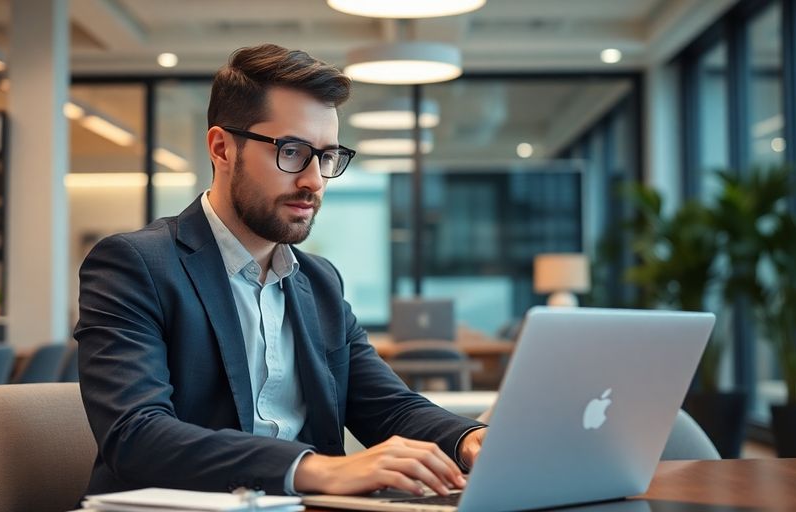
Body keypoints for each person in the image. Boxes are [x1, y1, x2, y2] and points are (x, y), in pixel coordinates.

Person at [75, 44, 487, 499]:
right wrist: (315, 470)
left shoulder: (320, 281)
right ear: (222, 148)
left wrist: (471, 440)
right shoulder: (135, 265)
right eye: (291, 151)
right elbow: (136, 435)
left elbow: (388, 408)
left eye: (326, 157)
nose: (314, 180)